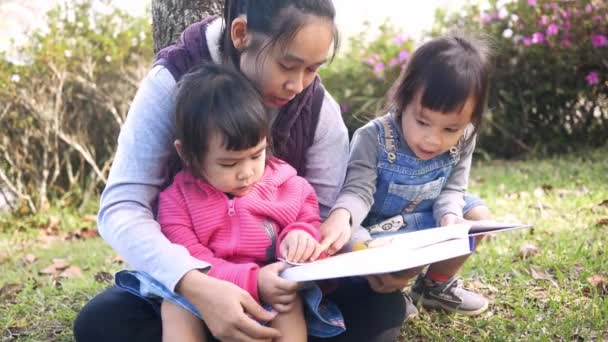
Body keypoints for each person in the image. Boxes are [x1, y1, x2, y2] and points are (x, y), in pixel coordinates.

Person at [73, 1, 407, 341]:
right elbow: (122, 207)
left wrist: (364, 254)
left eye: (313, 69)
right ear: (241, 34)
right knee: (102, 323)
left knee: (381, 309)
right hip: (193, 278)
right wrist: (197, 285)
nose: (299, 85)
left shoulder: (318, 110)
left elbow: (320, 215)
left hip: (279, 286)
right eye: (288, 65)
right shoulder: (172, 82)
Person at [153, 63, 345, 341]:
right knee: (174, 307)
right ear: (187, 154)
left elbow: (308, 218)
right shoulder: (177, 201)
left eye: (256, 155)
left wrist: (300, 236)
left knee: (287, 305)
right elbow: (190, 260)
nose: (246, 172)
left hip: (272, 291)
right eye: (228, 163)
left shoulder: (286, 184)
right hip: (206, 292)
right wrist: (252, 281)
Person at [324, 34, 494, 317]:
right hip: (382, 231)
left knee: (478, 218)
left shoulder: (466, 138)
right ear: (403, 98)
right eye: (423, 121)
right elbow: (357, 192)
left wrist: (450, 218)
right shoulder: (373, 138)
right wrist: (343, 219)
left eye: (450, 129)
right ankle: (389, 291)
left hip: (428, 217)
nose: (433, 140)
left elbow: (453, 190)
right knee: (361, 243)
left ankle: (434, 287)